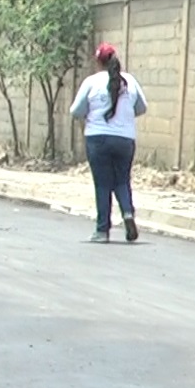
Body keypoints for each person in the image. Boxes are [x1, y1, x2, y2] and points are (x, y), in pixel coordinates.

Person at [70, 42, 148, 243]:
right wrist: (124, 116)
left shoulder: (91, 82)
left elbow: (76, 111)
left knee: (103, 183)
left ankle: (102, 230)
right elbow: (142, 107)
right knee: (122, 180)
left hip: (98, 138)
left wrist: (92, 113)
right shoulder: (129, 81)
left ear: (98, 61)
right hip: (125, 139)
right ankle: (128, 214)